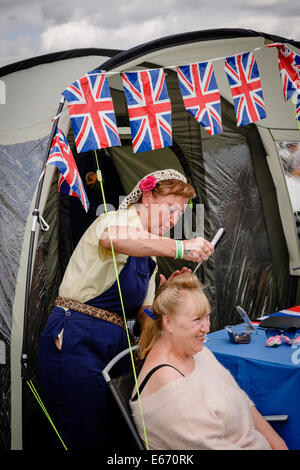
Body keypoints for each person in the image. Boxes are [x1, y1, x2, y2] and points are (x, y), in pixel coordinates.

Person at [37, 169, 214, 451]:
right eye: (170, 210)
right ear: (147, 197)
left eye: (178, 216)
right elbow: (113, 239)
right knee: (83, 435)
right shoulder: (114, 221)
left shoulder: (150, 256)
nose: (173, 220)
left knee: (117, 434)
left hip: (114, 349)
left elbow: (145, 317)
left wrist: (170, 295)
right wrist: (181, 248)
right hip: (75, 341)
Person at [130, 272, 288, 450]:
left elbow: (243, 401)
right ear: (168, 323)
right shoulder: (171, 388)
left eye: (207, 316)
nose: (207, 328)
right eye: (197, 319)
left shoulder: (199, 353)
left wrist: (279, 444)